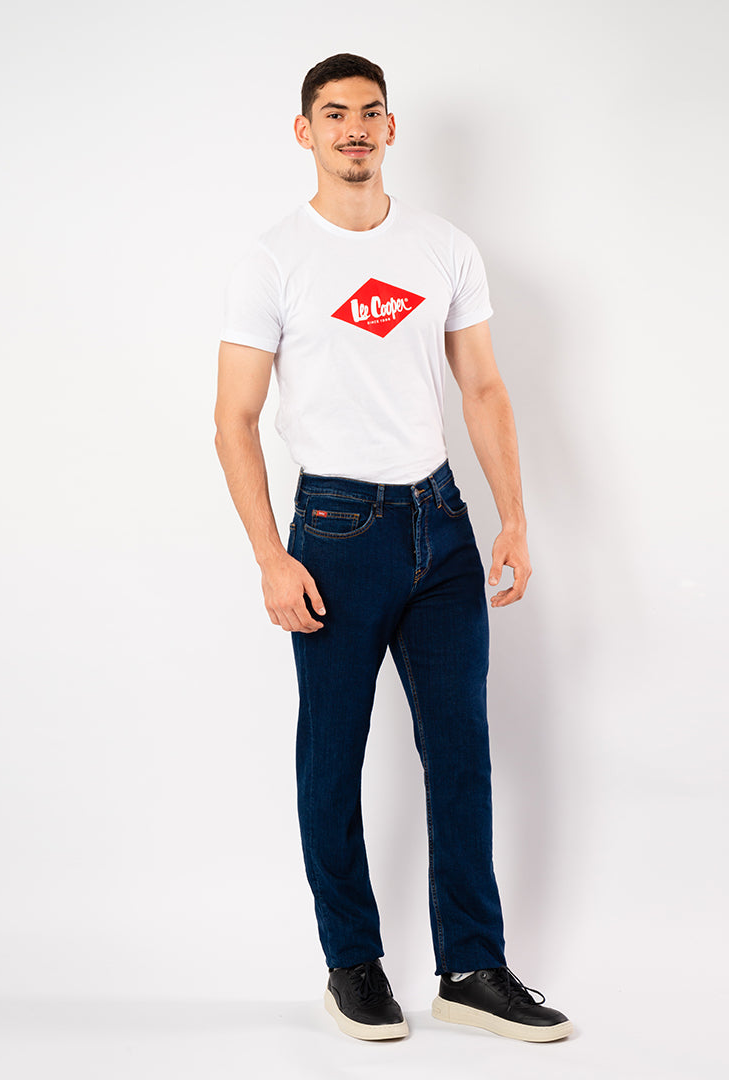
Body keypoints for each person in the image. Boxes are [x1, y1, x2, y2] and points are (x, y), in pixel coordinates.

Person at [213, 53, 571, 1043]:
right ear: (306, 132)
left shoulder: (442, 247)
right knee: (332, 757)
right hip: (334, 535)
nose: (355, 130)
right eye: (335, 115)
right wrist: (270, 556)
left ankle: (472, 967)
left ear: (391, 127)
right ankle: (353, 964)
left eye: (370, 112)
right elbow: (233, 420)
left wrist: (513, 517)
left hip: (441, 524)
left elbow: (484, 386)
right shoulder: (273, 259)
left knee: (461, 751)